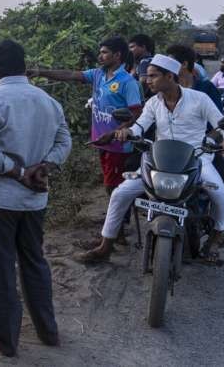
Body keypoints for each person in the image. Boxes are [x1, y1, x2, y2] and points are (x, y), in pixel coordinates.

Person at [73, 55, 224, 264]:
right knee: (120, 193)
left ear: (169, 76)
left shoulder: (200, 99)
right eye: (147, 76)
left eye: (153, 76)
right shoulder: (153, 102)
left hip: (196, 157)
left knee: (218, 192)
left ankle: (216, 236)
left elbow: (222, 125)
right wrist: (128, 132)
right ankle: (105, 247)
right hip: (160, 158)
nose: (147, 80)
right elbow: (140, 125)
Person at [0, 39, 72, 357]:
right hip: (33, 201)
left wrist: (17, 171)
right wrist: (45, 167)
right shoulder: (47, 101)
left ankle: (6, 338)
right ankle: (48, 331)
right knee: (34, 262)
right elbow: (64, 141)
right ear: (24, 66)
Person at [28, 37, 142, 245]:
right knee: (111, 186)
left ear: (117, 55)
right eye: (100, 52)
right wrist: (40, 72)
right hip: (102, 142)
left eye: (105, 52)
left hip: (118, 145)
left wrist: (115, 132)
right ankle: (115, 230)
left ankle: (115, 235)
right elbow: (71, 75)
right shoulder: (98, 74)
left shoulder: (128, 82)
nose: (100, 56)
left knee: (113, 188)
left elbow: (136, 113)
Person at [166, 44, 224, 195]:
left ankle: (213, 211)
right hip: (169, 147)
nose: (167, 66)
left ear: (184, 64)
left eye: (171, 62)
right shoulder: (166, 87)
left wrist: (211, 140)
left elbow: (218, 123)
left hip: (201, 148)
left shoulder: (206, 88)